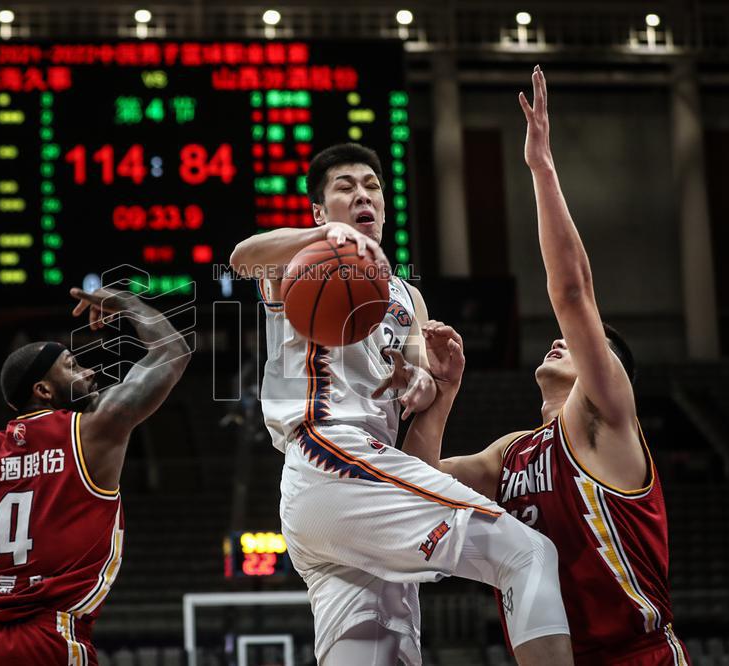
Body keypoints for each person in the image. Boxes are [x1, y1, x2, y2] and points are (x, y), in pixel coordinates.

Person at [230, 143, 573, 666]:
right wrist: (325, 238)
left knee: (382, 655)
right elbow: (241, 256)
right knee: (528, 553)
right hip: (331, 457)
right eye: (345, 187)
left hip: (358, 488)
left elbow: (416, 392)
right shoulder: (298, 263)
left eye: (371, 186)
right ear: (320, 210)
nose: (362, 195)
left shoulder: (408, 298)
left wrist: (433, 385)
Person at [402, 66, 689, 665]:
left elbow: (574, 296)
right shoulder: (512, 454)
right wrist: (446, 391)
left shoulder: (605, 422)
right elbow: (419, 484)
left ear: (613, 375)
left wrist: (541, 167)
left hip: (638, 657)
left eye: (594, 345)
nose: (567, 342)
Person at [0, 286, 190, 665]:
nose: (90, 372)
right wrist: (124, 302)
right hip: (46, 637)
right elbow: (172, 351)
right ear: (43, 389)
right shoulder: (92, 430)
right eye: (73, 367)